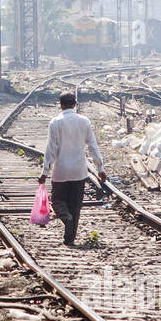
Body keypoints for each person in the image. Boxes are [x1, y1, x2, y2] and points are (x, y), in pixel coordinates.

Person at [37, 92, 107, 247]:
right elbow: (92, 146)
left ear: (60, 104)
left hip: (60, 171)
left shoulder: (55, 122)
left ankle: (64, 217)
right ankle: (70, 239)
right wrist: (100, 168)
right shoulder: (84, 121)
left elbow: (51, 149)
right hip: (79, 171)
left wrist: (44, 172)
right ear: (75, 104)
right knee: (75, 206)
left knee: (56, 201)